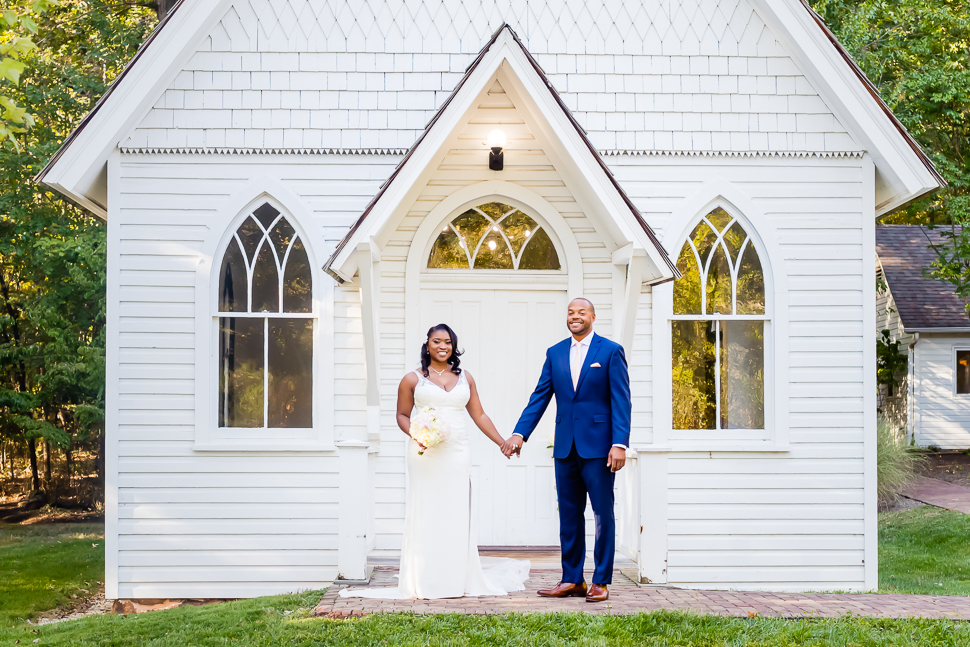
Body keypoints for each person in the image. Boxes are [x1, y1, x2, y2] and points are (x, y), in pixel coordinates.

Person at [339, 324, 530, 599]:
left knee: (456, 510)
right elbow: (402, 415)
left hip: (457, 451)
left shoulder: (466, 377)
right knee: (427, 510)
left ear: (454, 346)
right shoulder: (412, 379)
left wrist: (501, 441)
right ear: (427, 345)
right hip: (425, 452)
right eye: (437, 341)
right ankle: (425, 577)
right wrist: (417, 434)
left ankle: (455, 578)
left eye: (448, 342)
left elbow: (480, 415)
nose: (443, 346)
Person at [501, 298, 631, 602]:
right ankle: (572, 579)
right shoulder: (555, 352)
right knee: (570, 516)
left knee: (602, 514)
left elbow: (621, 400)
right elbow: (540, 396)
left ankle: (601, 580)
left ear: (593, 317)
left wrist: (619, 443)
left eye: (581, 312)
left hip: (600, 448)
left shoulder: (610, 351)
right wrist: (520, 433)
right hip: (565, 448)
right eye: (570, 312)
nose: (575, 316)